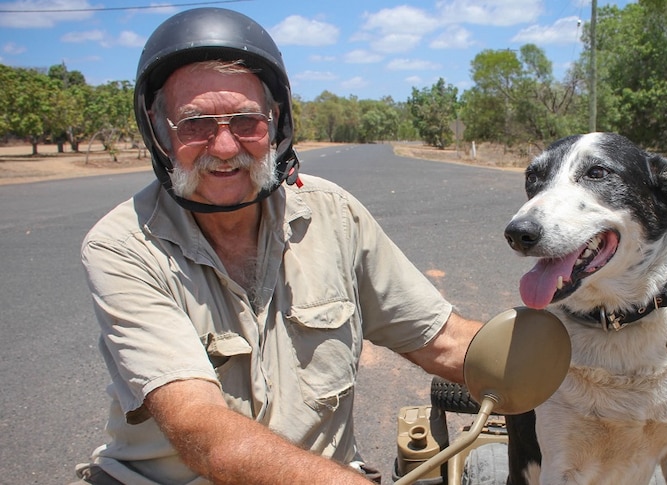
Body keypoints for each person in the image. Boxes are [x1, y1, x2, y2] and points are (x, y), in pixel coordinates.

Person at [73, 8, 483, 484]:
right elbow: (205, 434)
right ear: (159, 130)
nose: (225, 147)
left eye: (246, 121)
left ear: (277, 122)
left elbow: (444, 340)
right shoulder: (123, 246)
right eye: (195, 124)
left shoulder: (333, 214)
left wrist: (573, 364)